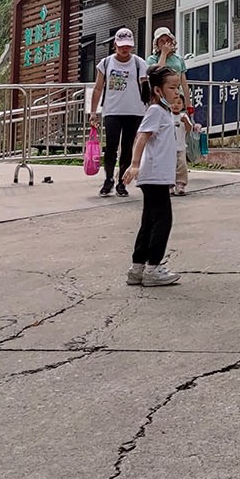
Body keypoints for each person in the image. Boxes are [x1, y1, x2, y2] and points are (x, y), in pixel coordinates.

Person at [126, 63, 187, 286]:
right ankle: (153, 268)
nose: (176, 92)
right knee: (163, 220)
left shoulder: (163, 112)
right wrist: (134, 164)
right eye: (171, 88)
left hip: (156, 175)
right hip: (154, 175)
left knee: (150, 220)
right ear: (158, 90)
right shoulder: (156, 111)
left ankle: (138, 268)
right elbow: (141, 137)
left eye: (177, 87)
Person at [89, 28, 145, 198]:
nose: (124, 49)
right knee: (111, 146)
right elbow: (98, 88)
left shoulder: (139, 63)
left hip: (134, 110)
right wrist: (93, 111)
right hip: (112, 110)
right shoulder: (106, 63)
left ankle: (122, 181)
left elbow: (145, 85)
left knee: (128, 148)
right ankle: (108, 180)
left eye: (128, 46)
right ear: (115, 45)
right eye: (121, 45)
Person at [147, 27, 194, 196]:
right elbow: (155, 74)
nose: (165, 43)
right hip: (160, 100)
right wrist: (164, 55)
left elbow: (184, 83)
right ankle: (164, 178)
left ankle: (179, 180)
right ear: (156, 43)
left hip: (176, 99)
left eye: (168, 40)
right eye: (161, 41)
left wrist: (188, 104)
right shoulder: (152, 59)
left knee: (178, 138)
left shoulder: (179, 60)